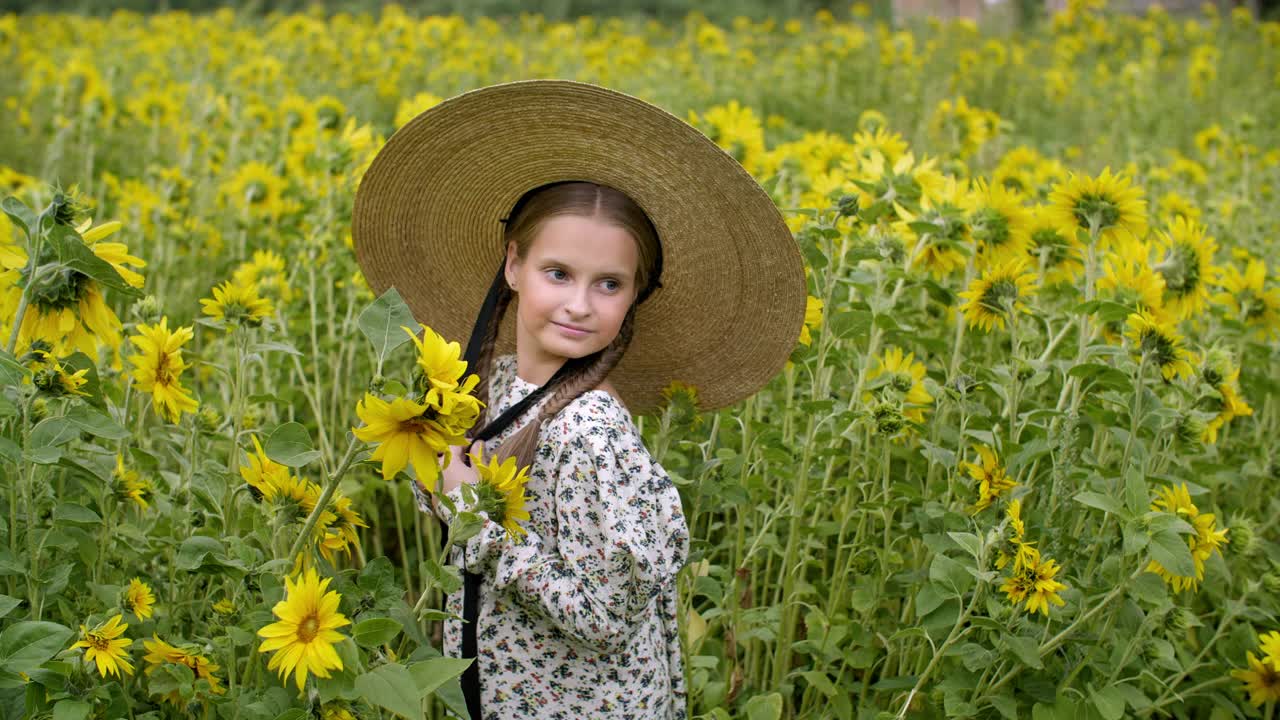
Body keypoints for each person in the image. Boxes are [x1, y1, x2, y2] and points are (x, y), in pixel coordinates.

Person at [351, 80, 808, 720]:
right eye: (558, 273)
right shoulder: (497, 382)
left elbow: (601, 617)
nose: (578, 304)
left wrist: (472, 519)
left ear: (635, 297)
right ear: (513, 264)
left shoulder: (591, 432)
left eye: (609, 284)